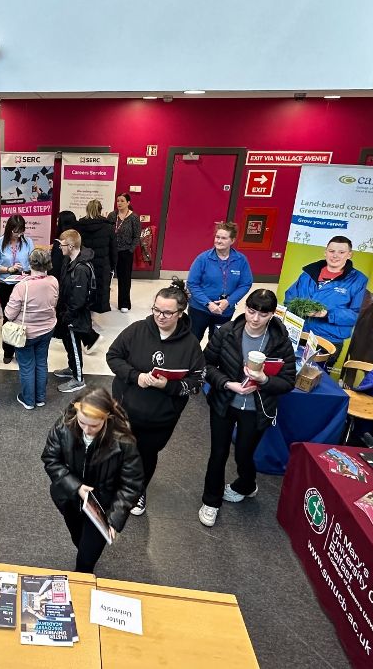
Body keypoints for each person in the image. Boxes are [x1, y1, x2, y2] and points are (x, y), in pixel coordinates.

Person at [106, 279, 205, 517]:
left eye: (168, 312)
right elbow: (113, 356)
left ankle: (139, 490)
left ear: (180, 314)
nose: (160, 316)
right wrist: (134, 376)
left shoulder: (191, 345)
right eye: (157, 310)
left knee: (147, 455)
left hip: (160, 417)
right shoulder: (137, 330)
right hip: (125, 409)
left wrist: (168, 386)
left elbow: (196, 383)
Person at [198, 289, 297, 527]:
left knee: (244, 452)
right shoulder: (227, 332)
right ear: (245, 308)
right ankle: (211, 502)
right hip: (224, 403)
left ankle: (246, 484)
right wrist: (227, 383)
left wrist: (264, 381)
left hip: (256, 408)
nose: (255, 319)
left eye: (263, 315)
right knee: (218, 453)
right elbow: (205, 364)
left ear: (272, 315)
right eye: (251, 312)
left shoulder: (280, 341)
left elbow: (288, 381)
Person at [41, 388, 144, 573]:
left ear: (106, 418)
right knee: (78, 539)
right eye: (82, 423)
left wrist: (114, 519)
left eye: (94, 426)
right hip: (70, 499)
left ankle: (82, 578)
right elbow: (50, 458)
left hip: (103, 506)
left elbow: (132, 484)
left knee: (86, 559)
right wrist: (76, 487)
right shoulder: (65, 424)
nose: (87, 430)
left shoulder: (124, 441)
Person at [284, 235, 368, 370]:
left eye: (341, 252)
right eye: (331, 251)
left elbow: (358, 315)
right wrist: (297, 309)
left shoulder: (358, 280)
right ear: (325, 252)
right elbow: (290, 297)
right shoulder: (308, 274)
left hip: (328, 341)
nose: (335, 256)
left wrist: (327, 314)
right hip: (299, 335)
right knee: (288, 374)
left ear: (350, 255)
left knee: (315, 379)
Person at [5, 248, 58, 410]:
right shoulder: (53, 281)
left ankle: (29, 400)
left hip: (25, 333)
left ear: (31, 263)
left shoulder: (23, 287)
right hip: (48, 328)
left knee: (27, 365)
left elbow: (9, 313)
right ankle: (40, 398)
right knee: (41, 362)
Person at [187, 222, 255, 343]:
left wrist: (229, 301)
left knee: (217, 342)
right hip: (199, 309)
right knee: (192, 341)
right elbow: (192, 284)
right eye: (217, 237)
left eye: (223, 238)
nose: (218, 241)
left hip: (225, 310)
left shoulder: (241, 260)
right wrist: (208, 304)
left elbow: (245, 283)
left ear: (232, 240)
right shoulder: (203, 258)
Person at [54, 229, 96, 393]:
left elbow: (78, 299)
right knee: (68, 344)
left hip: (74, 316)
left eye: (62, 245)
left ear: (71, 246)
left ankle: (78, 379)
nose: (60, 248)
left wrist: (68, 315)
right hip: (67, 313)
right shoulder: (70, 261)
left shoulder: (80, 269)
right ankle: (72, 368)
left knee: (74, 346)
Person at [0, 214, 34, 364]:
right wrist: (8, 269)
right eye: (15, 231)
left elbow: (32, 262)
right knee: (9, 318)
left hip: (23, 284)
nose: (18, 234)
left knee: (24, 317)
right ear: (9, 229)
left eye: (21, 231)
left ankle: (22, 349)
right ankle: (8, 350)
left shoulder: (28, 242)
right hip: (5, 285)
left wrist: (27, 271)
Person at [76, 199, 116, 314]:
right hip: (103, 263)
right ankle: (99, 307)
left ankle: (85, 309)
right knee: (101, 287)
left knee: (84, 286)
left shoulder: (79, 226)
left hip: (84, 262)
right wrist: (113, 265)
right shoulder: (108, 227)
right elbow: (113, 249)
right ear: (100, 210)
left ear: (87, 209)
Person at [108, 193, 141, 313]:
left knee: (124, 279)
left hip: (126, 252)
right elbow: (107, 231)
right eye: (118, 201)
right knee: (107, 276)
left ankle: (124, 303)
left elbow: (137, 236)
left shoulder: (134, 217)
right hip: (112, 251)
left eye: (122, 201)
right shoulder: (112, 215)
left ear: (128, 203)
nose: (119, 203)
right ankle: (104, 301)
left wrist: (131, 249)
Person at [51, 211, 78, 286]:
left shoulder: (60, 242)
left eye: (57, 220)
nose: (56, 223)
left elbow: (55, 267)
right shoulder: (78, 238)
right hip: (75, 279)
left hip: (61, 281)